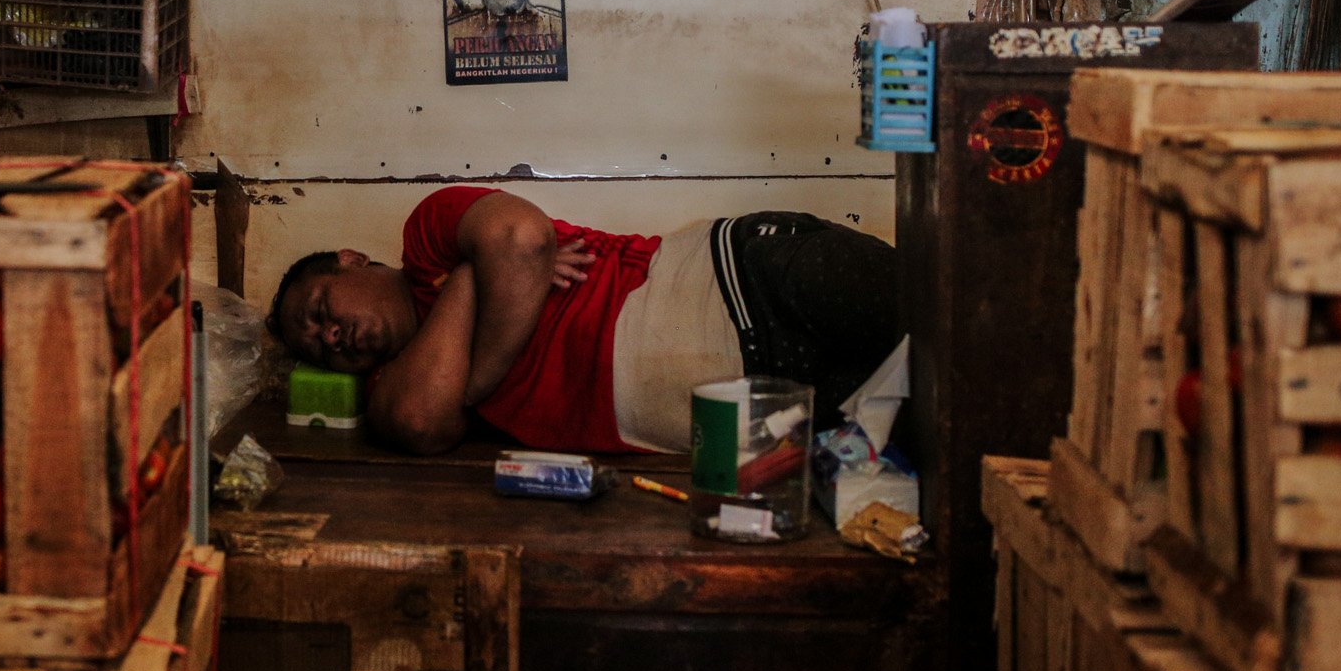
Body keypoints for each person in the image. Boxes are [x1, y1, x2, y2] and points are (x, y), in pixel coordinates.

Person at [267, 187, 901, 456]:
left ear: (350, 260)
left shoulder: (427, 238)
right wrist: (471, 279)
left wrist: (468, 385)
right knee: (959, 423)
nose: (331, 336)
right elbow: (419, 421)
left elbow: (519, 236)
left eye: (321, 310)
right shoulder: (395, 387)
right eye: (319, 347)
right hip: (764, 419)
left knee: (958, 322)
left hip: (735, 277)